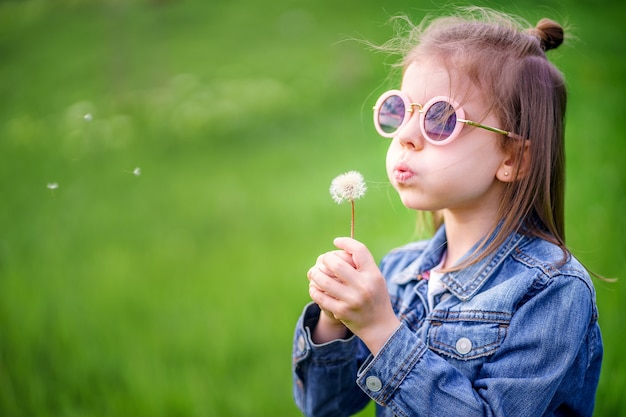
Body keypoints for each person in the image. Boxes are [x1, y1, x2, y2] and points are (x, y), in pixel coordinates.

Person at [292, 7, 603, 417]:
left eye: (440, 119)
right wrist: (334, 324)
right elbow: (324, 407)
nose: (405, 136)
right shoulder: (399, 273)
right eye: (399, 111)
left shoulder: (551, 292)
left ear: (512, 157)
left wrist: (382, 330)